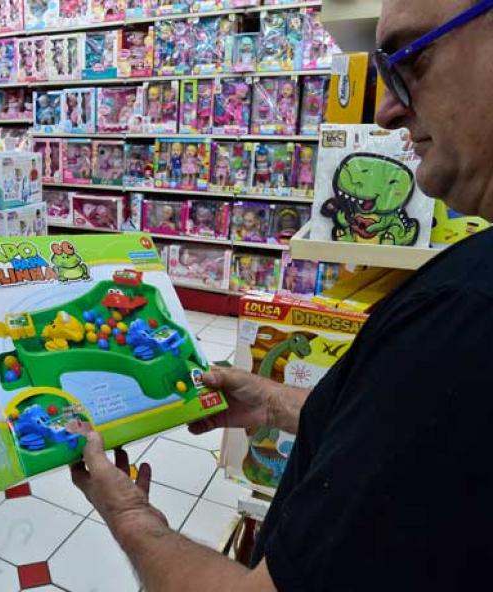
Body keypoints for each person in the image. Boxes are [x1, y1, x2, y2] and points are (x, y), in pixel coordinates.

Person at [71, 1, 493, 589]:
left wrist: (129, 516)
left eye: (411, 59)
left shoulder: (465, 322)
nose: (386, 109)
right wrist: (276, 402)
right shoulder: (467, 295)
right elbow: (404, 444)